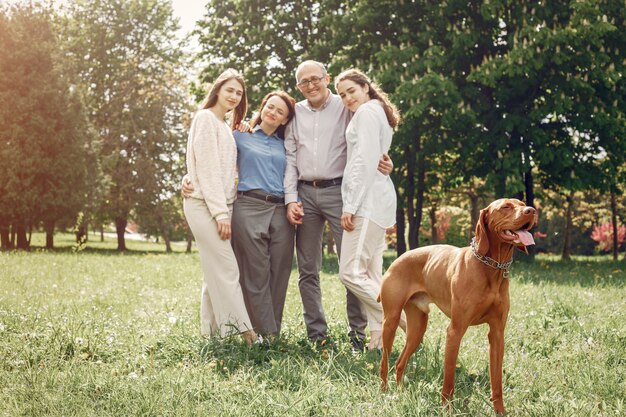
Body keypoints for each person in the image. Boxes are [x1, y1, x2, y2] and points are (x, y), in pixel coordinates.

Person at [284, 60, 394, 349]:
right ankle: (317, 335)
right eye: (303, 82)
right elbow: (285, 150)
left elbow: (367, 145)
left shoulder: (346, 106)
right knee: (308, 269)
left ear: (326, 79)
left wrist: (385, 159)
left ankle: (359, 335)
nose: (310, 85)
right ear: (298, 86)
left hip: (339, 193)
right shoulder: (294, 112)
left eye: (315, 79)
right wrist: (291, 198)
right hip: (305, 193)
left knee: (353, 266)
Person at [183, 68, 256, 345]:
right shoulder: (205, 119)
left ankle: (210, 335)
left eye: (239, 93)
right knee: (227, 269)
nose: (235, 96)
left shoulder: (224, 125)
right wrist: (220, 213)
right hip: (205, 206)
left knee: (214, 270)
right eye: (230, 90)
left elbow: (222, 167)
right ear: (217, 90)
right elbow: (208, 169)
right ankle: (247, 334)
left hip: (220, 205)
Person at [334, 68, 401, 350]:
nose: (348, 98)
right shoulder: (377, 112)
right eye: (342, 95)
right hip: (378, 199)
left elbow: (363, 161)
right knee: (373, 274)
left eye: (351, 91)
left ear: (365, 87)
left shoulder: (366, 113)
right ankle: (377, 341)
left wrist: (349, 205)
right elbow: (377, 158)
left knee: (350, 272)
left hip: (367, 203)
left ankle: (401, 315)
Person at [231, 91, 297, 338]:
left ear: (284, 120)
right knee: (255, 272)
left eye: (280, 112)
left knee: (279, 273)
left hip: (281, 210)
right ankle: (266, 335)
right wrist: (189, 178)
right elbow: (213, 157)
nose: (273, 112)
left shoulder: (287, 146)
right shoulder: (239, 136)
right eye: (270, 107)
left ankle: (271, 333)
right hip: (249, 207)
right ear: (263, 107)